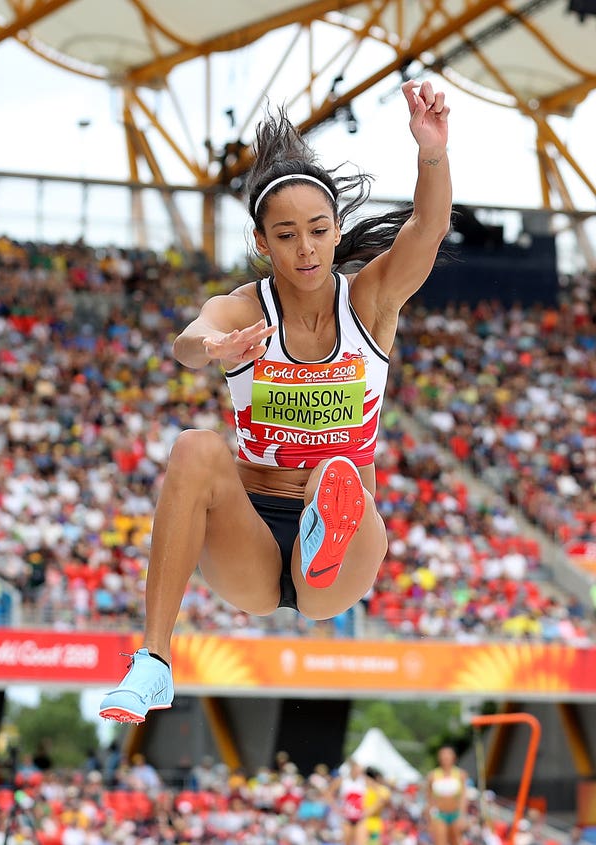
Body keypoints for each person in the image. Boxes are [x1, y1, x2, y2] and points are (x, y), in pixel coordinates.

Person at [99, 78, 452, 724]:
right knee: (195, 446)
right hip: (254, 539)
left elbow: (428, 230)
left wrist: (430, 151)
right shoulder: (244, 309)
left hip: (342, 554)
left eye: (318, 230)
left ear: (338, 229)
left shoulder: (369, 302)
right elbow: (188, 338)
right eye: (286, 235)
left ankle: (325, 532)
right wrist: (213, 349)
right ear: (263, 243)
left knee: (334, 474)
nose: (307, 248)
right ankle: (152, 660)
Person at [426, 746, 468, 845]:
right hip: (439, 814)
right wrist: (430, 819)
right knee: (440, 842)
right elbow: (429, 798)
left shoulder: (460, 774)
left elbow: (463, 797)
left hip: (455, 814)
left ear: (454, 758)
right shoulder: (433, 775)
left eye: (448, 755)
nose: (445, 758)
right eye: (443, 755)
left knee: (456, 842)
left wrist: (462, 816)